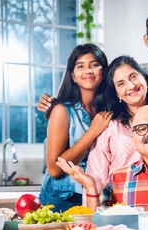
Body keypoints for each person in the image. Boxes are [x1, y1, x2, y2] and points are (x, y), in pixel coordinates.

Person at [85, 55, 148, 194]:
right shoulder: (110, 126)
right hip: (121, 201)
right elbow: (96, 175)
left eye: (133, 77)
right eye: (121, 84)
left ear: (145, 78)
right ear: (117, 94)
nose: (131, 86)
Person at [39, 44, 113, 212]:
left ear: (104, 71)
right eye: (81, 66)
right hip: (65, 198)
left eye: (94, 65)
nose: (88, 71)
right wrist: (93, 132)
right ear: (73, 76)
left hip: (99, 196)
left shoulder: (110, 110)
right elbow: (54, 169)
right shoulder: (62, 111)